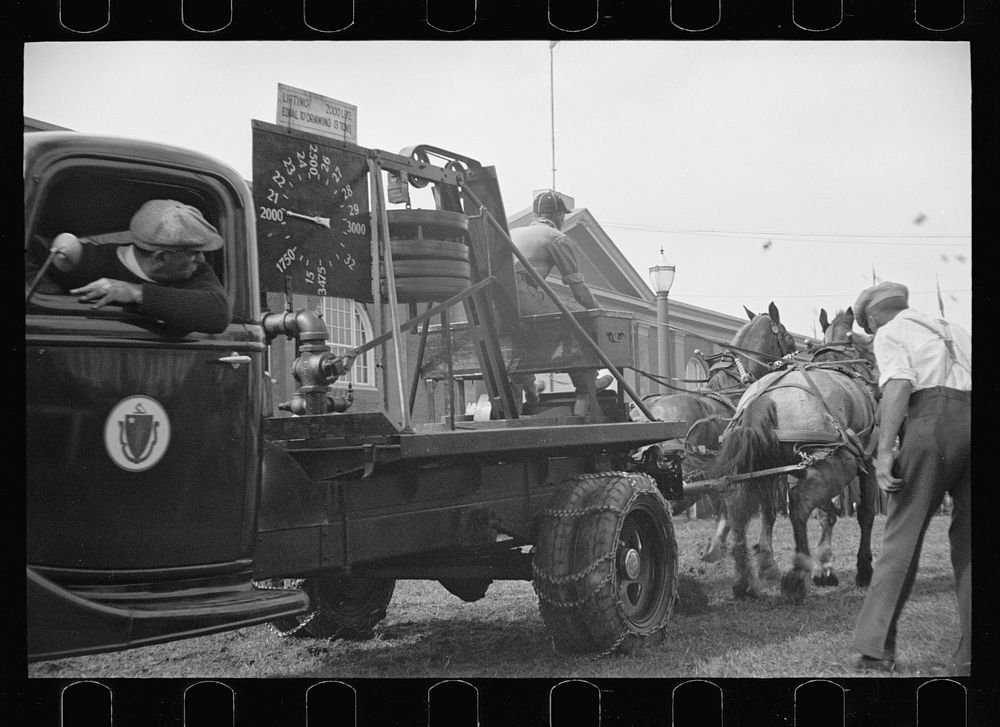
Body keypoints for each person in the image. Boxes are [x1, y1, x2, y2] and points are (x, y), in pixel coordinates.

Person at [846, 281, 971, 676]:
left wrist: (884, 453)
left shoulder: (892, 333)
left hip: (931, 422)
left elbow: (898, 385)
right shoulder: (957, 330)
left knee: (902, 535)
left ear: (875, 316)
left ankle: (874, 650)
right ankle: (970, 655)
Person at [44, 199, 232, 334]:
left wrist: (136, 293)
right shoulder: (91, 262)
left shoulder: (195, 270)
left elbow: (218, 314)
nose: (201, 258)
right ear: (160, 258)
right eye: (194, 252)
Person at [510, 190, 609, 412]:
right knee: (574, 320)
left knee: (519, 334)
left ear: (536, 214)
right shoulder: (557, 238)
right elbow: (579, 291)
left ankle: (529, 388)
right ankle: (587, 383)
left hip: (495, 301)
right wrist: (600, 313)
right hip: (523, 294)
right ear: (558, 217)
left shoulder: (512, 231)